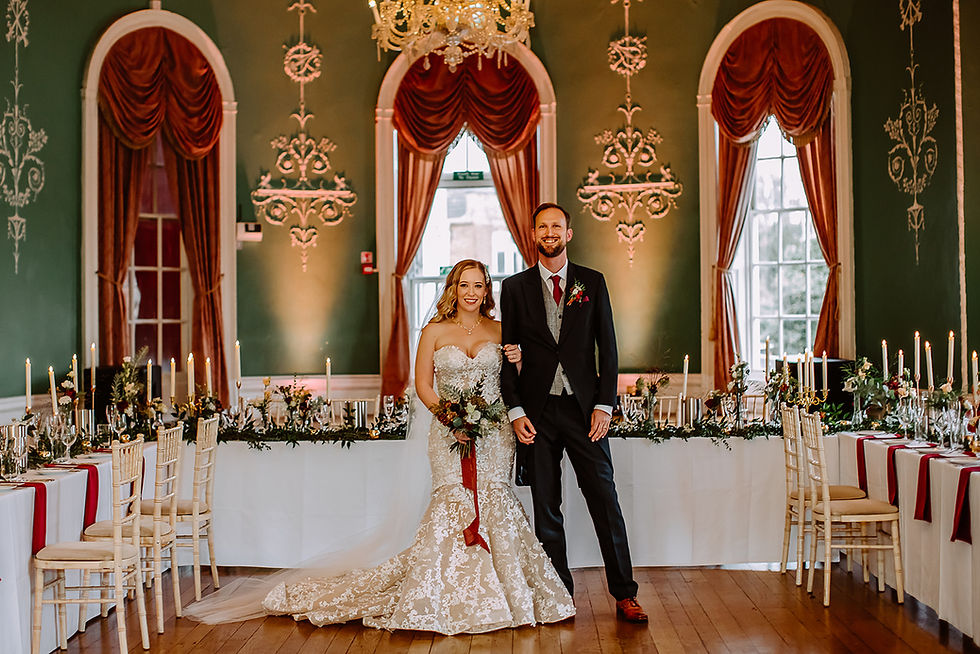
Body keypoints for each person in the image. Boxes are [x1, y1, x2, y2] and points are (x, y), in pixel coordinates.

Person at [257, 259, 575, 634]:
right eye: (465, 285)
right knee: (452, 501)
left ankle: (507, 597)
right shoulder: (433, 332)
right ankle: (438, 596)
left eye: (479, 286)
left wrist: (519, 364)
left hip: (494, 435)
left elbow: (516, 384)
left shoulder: (502, 330)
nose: (472, 292)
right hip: (447, 433)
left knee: (494, 499)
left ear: (487, 291)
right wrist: (450, 419)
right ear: (453, 289)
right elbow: (423, 384)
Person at [500, 203, 648, 623]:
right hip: (537, 414)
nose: (549, 232)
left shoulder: (593, 282)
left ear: (569, 233)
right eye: (542, 226)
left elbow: (609, 349)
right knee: (546, 506)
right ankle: (558, 594)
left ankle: (624, 593)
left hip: (586, 412)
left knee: (605, 500)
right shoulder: (514, 288)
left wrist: (604, 405)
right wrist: (514, 411)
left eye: (556, 226)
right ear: (533, 234)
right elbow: (506, 358)